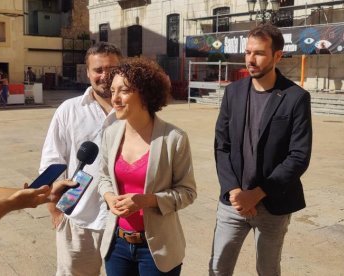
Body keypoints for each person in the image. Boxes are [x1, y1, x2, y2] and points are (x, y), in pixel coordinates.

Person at [210, 23, 312, 276]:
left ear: (277, 56)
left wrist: (257, 193)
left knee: (268, 270)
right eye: (247, 52)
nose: (251, 59)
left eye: (259, 53)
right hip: (233, 202)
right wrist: (234, 190)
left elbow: (298, 156)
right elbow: (221, 146)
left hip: (274, 204)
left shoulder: (295, 97)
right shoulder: (233, 92)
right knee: (217, 268)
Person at [98, 57, 197, 275]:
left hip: (157, 250)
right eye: (112, 91)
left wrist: (148, 200)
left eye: (123, 90)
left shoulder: (174, 138)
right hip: (117, 245)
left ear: (144, 92)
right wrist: (109, 197)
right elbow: (103, 177)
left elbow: (188, 192)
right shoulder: (110, 133)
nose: (115, 98)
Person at [39, 42, 122, 276]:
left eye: (112, 69)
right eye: (98, 70)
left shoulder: (135, 110)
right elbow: (52, 162)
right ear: (87, 72)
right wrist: (55, 211)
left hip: (123, 224)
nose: (105, 75)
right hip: (79, 221)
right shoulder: (69, 110)